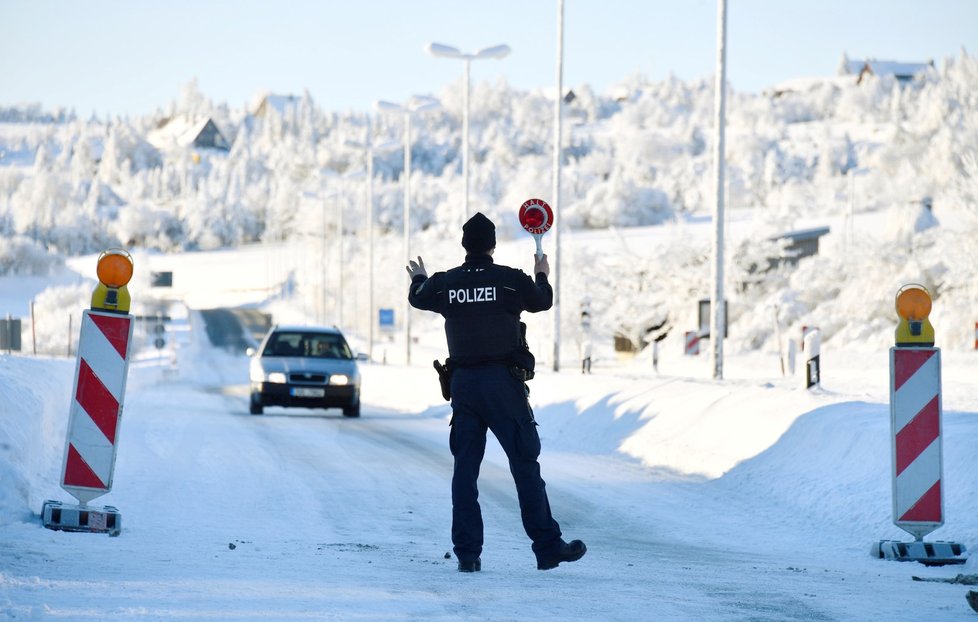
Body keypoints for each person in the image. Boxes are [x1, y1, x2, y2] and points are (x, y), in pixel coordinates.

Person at [405, 211, 586, 573]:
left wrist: (420, 278)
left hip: (464, 388)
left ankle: (468, 554)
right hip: (504, 386)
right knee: (524, 466)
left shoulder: (446, 283)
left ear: (463, 245)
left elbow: (418, 298)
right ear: (492, 245)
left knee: (465, 471)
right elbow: (542, 300)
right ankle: (547, 547)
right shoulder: (509, 281)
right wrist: (541, 271)